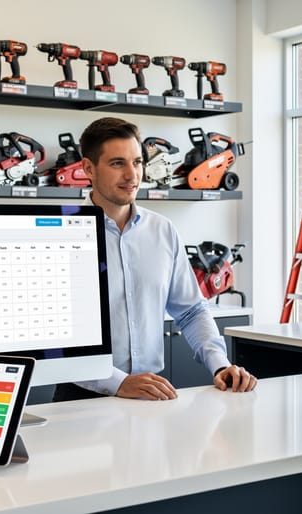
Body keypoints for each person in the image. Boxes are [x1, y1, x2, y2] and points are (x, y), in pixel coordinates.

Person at [53, 117, 257, 401]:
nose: (132, 175)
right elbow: (56, 336)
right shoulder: (59, 234)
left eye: (137, 162)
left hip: (151, 393)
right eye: (117, 163)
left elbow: (191, 310)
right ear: (88, 168)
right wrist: (119, 383)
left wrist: (220, 364)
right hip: (81, 398)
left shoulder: (163, 230)